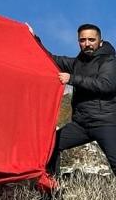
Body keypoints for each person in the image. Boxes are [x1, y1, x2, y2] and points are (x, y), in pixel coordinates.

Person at [45, 24, 116, 175]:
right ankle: (51, 185)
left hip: (105, 123)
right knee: (50, 144)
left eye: (91, 39)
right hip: (81, 125)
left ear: (100, 41)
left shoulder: (109, 61)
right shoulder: (78, 62)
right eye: (82, 40)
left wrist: (72, 79)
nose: (87, 43)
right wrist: (33, 38)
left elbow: (106, 85)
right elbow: (51, 58)